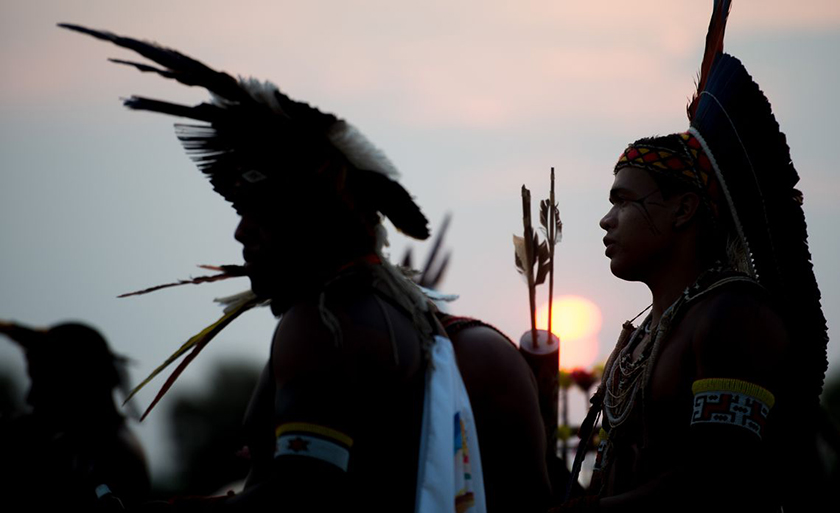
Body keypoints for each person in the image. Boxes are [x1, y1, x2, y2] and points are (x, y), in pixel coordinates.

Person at [61, 24, 550, 511]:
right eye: (239, 212)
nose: (241, 233)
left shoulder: (324, 326)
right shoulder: (446, 339)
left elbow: (296, 501)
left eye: (261, 213)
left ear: (313, 224)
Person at [558, 1, 829, 511]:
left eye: (623, 200)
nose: (606, 219)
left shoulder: (734, 317)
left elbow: (721, 482)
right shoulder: (641, 337)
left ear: (684, 209)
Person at [0, 321, 150, 511]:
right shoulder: (102, 445)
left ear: (79, 381)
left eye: (45, 382)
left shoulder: (104, 457)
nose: (31, 397)